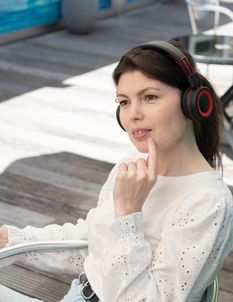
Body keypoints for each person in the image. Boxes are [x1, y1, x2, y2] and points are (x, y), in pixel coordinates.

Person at [0, 40, 233, 302]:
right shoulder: (133, 166)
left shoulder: (209, 202)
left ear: (193, 102)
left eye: (150, 97)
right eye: (123, 102)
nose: (132, 114)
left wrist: (128, 213)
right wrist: (11, 239)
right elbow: (92, 242)